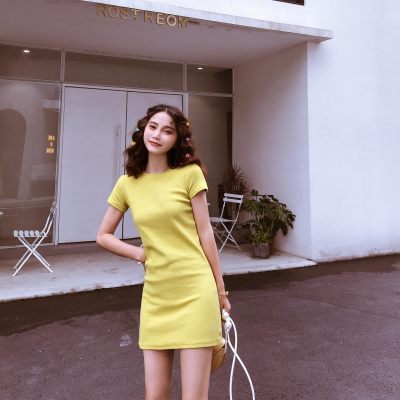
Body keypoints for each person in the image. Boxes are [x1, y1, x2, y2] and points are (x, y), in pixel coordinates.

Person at [96, 104, 231, 400]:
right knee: (155, 395)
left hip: (195, 290)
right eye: (153, 127)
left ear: (177, 139)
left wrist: (221, 292)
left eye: (167, 131)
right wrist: (139, 254)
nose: (157, 135)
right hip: (157, 295)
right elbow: (103, 236)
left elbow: (205, 233)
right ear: (143, 130)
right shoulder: (127, 183)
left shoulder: (190, 174)